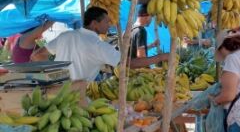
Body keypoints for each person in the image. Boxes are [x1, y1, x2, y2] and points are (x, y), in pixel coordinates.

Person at [31, 6, 168, 81]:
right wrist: (161, 58)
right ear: (94, 23)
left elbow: (37, 55)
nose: (109, 24)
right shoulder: (98, 45)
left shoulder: (66, 35)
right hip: (77, 95)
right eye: (106, 21)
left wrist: (49, 75)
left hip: (57, 89)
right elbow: (129, 63)